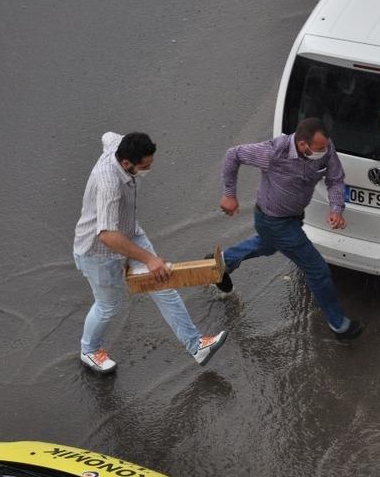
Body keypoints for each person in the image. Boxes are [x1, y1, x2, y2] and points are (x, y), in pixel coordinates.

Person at [73, 131, 226, 374]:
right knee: (108, 306)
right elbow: (107, 235)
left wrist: (152, 262)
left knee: (163, 282)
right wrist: (149, 259)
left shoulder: (117, 144)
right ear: (126, 164)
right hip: (98, 251)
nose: (148, 169)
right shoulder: (108, 184)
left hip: (129, 232)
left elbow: (106, 135)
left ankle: (197, 345)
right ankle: (89, 350)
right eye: (144, 166)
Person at [211, 117, 364, 340]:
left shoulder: (325, 149)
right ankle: (340, 325)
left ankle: (222, 263)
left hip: (292, 218)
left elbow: (335, 179)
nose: (325, 151)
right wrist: (229, 194)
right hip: (273, 220)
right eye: (319, 148)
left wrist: (336, 209)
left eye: (325, 146)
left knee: (266, 245)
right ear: (303, 144)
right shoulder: (274, 151)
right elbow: (233, 155)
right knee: (317, 270)